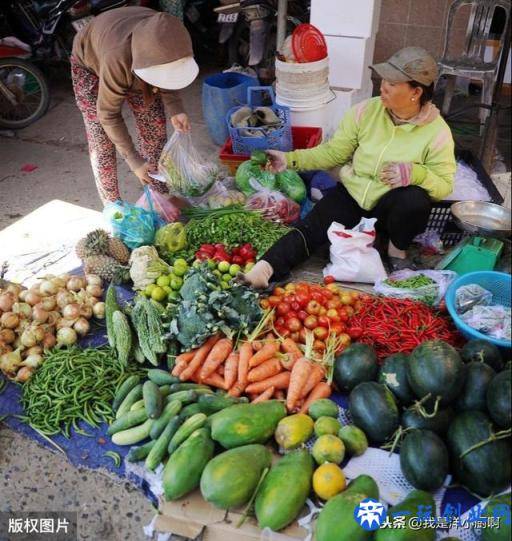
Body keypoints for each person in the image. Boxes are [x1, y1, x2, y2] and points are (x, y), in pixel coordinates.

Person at [242, 47, 456, 288]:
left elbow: (444, 184)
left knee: (414, 200)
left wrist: (415, 173)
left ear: (416, 92)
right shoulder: (366, 111)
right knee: (312, 226)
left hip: (389, 210)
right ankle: (264, 269)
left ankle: (397, 252)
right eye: (384, 78)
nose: (383, 85)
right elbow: (334, 153)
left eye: (393, 83)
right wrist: (290, 159)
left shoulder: (437, 132)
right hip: (353, 195)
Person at [71, 6, 199, 203]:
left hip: (132, 53)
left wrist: (176, 108)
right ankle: (114, 207)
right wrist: (134, 160)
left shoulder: (168, 33)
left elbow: (168, 71)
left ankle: (159, 198)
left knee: (154, 130)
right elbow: (108, 114)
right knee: (101, 138)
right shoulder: (117, 59)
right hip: (90, 60)